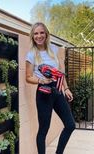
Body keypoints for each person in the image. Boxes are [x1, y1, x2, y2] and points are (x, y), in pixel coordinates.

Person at [25, 22, 75, 154]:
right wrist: (41, 79)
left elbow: (59, 72)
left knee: (70, 125)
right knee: (43, 130)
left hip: (57, 90)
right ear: (32, 36)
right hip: (43, 92)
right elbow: (28, 77)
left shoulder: (54, 49)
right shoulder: (31, 54)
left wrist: (66, 88)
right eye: (36, 33)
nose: (39, 36)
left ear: (46, 34)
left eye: (41, 32)